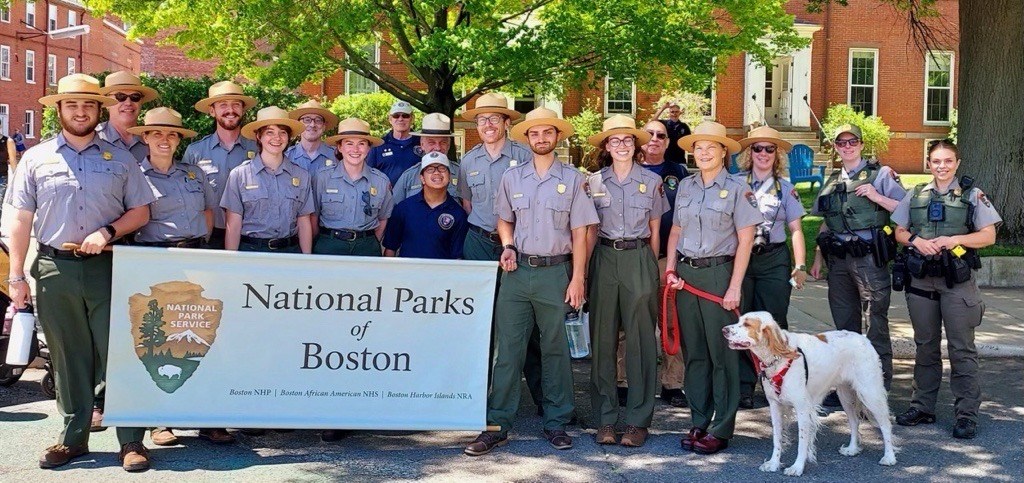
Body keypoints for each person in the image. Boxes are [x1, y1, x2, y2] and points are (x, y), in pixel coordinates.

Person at [7, 74, 156, 471]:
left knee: (119, 354)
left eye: (88, 105)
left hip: (108, 266)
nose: (80, 111)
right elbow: (21, 218)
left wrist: (108, 231)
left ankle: (131, 441)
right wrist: (16, 276)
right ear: (59, 111)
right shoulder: (37, 158)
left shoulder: (120, 158)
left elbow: (141, 211)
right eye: (72, 105)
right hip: (55, 268)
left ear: (98, 110)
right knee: (68, 355)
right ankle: (73, 439)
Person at [464, 107, 597, 456]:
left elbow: (581, 232)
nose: (541, 139)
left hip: (556, 273)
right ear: (527, 138)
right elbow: (504, 220)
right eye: (534, 134)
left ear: (557, 137)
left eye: (547, 133)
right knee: (507, 350)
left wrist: (578, 278)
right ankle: (496, 425)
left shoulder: (572, 178)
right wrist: (507, 246)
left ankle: (556, 422)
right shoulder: (512, 178)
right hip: (518, 273)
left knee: (555, 349)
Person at [891, 139, 1001, 440]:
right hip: (921, 280)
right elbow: (898, 230)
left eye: (948, 161)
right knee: (925, 345)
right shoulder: (915, 195)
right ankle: (922, 407)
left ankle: (966, 414)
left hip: (957, 282)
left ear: (957, 163)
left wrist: (956, 240)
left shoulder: (973, 195)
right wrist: (916, 241)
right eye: (936, 161)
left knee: (961, 349)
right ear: (928, 163)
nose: (942, 166)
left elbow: (988, 235)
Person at [665, 121, 760, 455]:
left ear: (723, 152)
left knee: (723, 358)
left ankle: (722, 428)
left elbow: (746, 240)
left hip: (720, 276)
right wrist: (670, 267)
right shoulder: (687, 187)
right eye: (698, 148)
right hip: (687, 278)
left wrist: (735, 287)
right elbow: (676, 230)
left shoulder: (738, 189)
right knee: (696, 355)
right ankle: (700, 420)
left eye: (711, 147)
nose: (703, 153)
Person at [127, 108, 215, 446]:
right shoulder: (133, 175)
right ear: (145, 137)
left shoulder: (193, 175)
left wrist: (202, 247)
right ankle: (160, 421)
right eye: (157, 134)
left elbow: (208, 212)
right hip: (156, 262)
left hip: (195, 258)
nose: (165, 140)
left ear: (179, 140)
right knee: (159, 343)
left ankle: (206, 419)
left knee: (201, 339)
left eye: (172, 134)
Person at [457, 93, 545, 415]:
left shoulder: (525, 155)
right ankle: (481, 397)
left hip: (521, 246)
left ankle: (543, 398)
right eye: (482, 119)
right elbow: (468, 204)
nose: (488, 124)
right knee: (482, 322)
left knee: (528, 322)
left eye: (495, 118)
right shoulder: (468, 161)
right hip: (479, 243)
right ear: (476, 126)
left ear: (507, 123)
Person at [584, 115, 668, 447]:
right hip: (604, 258)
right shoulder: (592, 182)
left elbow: (656, 231)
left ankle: (637, 420)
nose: (622, 145)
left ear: (636, 145)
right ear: (606, 146)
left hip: (638, 258)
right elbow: (589, 231)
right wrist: (586, 271)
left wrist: (652, 270)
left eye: (628, 140)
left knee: (641, 342)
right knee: (603, 340)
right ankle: (605, 419)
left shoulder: (651, 182)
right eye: (615, 140)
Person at [810, 124, 906, 401]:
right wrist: (817, 257)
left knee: (875, 321)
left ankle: (878, 387)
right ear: (836, 148)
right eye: (842, 143)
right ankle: (846, 389)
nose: (847, 147)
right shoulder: (831, 180)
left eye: (853, 142)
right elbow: (826, 223)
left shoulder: (882, 174)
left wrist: (876, 196)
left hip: (869, 259)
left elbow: (906, 209)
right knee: (844, 329)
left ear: (862, 144)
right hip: (838, 260)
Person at [617, 119, 690, 409]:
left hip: (666, 260)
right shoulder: (624, 170)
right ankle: (622, 380)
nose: (655, 139)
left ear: (668, 143)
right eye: (649, 134)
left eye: (661, 135)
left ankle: (673, 383)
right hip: (632, 256)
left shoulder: (680, 174)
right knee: (626, 322)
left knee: (670, 321)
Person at [735, 125, 808, 409]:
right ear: (749, 152)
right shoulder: (735, 184)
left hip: (774, 259)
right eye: (757, 148)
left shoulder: (786, 189)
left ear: (776, 154)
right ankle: (743, 386)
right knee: (743, 321)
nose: (763, 153)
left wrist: (800, 264)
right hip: (742, 256)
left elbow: (797, 229)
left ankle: (778, 380)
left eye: (769, 149)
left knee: (773, 322)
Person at [222, 106, 313, 254]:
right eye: (269, 132)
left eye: (282, 132)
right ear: (259, 136)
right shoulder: (239, 175)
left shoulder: (302, 176)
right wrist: (233, 263)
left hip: (289, 252)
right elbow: (234, 224)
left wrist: (306, 260)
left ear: (288, 137)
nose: (277, 138)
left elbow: (304, 222)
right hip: (252, 252)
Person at [183, 81, 259, 250]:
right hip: (209, 235)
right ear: (212, 110)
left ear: (243, 109)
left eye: (236, 105)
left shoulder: (258, 149)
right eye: (223, 105)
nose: (230, 110)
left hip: (249, 236)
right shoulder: (195, 152)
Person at [311, 117, 394, 259]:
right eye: (349, 143)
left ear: (369, 148)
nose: (355, 149)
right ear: (339, 147)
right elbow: (314, 217)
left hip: (366, 247)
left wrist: (368, 241)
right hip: (329, 245)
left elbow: (383, 218)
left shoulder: (380, 181)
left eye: (361, 144)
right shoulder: (322, 177)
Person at [383, 151, 468, 259]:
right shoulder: (404, 208)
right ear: (422, 178)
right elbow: (391, 248)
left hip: (442, 274)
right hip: (408, 273)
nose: (437, 173)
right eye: (430, 169)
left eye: (442, 169)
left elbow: (458, 257)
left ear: (450, 177)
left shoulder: (458, 214)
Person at [391, 113, 460, 203]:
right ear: (422, 144)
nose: (438, 148)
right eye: (431, 143)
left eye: (443, 142)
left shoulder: (461, 174)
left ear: (448, 145)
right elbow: (394, 209)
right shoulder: (409, 176)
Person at [97, 71, 160, 163]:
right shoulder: (92, 138)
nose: (128, 103)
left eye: (135, 97)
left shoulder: (153, 141)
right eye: (120, 96)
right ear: (107, 103)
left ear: (141, 102)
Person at [368, 101, 420, 185]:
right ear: (390, 119)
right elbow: (369, 173)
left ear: (412, 118)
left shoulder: (422, 143)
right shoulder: (379, 145)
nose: (400, 119)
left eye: (405, 116)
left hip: (416, 196)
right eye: (396, 116)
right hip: (387, 196)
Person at [286, 99, 340, 173]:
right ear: (299, 125)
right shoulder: (286, 157)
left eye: (318, 120)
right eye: (307, 120)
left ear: (324, 126)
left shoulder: (337, 156)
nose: (312, 125)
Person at [651, 100, 692, 165]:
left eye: (676, 112)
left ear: (679, 113)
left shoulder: (684, 126)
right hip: (665, 160)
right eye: (672, 112)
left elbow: (689, 142)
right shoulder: (664, 124)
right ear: (669, 113)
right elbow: (653, 121)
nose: (674, 114)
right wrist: (663, 108)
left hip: (680, 160)